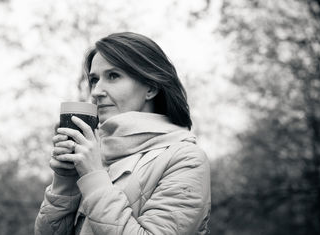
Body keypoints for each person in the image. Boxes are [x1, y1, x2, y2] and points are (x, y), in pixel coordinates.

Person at [35, 32, 211, 235]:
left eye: (113, 76)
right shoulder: (94, 154)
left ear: (151, 88)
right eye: (94, 80)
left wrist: (93, 176)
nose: (96, 91)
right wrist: (65, 182)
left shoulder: (185, 158)